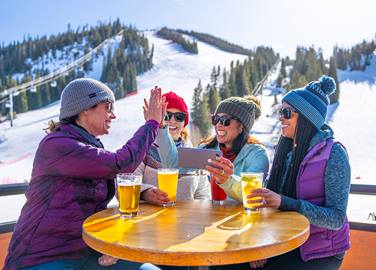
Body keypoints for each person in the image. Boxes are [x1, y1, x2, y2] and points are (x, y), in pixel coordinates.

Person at [3, 78, 165, 270]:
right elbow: (121, 164)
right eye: (108, 107)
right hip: (44, 257)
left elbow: (103, 191)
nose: (112, 115)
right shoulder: (57, 145)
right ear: (86, 108)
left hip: (87, 251)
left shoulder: (89, 146)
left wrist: (142, 194)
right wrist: (152, 123)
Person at [213, 76, 351, 270]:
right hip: (284, 239)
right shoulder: (287, 151)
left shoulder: (334, 153)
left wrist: (286, 203)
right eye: (280, 112)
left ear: (305, 117)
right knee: (225, 266)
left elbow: (336, 218)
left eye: (286, 113)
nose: (280, 118)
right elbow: (267, 201)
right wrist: (258, 244)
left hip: (319, 250)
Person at [155, 95, 269, 204]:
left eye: (225, 120)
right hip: (211, 219)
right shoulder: (205, 150)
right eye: (215, 119)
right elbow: (172, 165)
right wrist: (161, 128)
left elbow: (253, 194)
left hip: (244, 219)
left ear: (242, 127)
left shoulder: (257, 155)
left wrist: (226, 180)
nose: (218, 125)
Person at [135, 91, 210, 205]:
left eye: (179, 117)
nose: (172, 121)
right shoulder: (144, 148)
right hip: (149, 219)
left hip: (185, 220)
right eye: (166, 115)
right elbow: (124, 184)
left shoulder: (192, 153)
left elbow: (203, 194)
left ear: (184, 122)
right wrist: (145, 193)